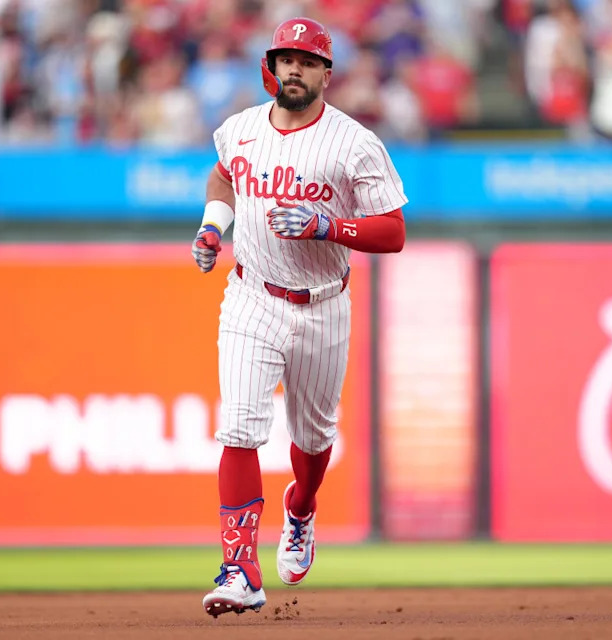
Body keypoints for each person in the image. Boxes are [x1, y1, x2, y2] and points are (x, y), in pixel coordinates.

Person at [192, 16, 408, 619]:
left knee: (313, 442)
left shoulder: (354, 141)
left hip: (322, 304)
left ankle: (302, 508)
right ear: (271, 65)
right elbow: (224, 175)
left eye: (308, 61)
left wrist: (326, 225)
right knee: (238, 428)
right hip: (252, 296)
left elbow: (393, 231)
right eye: (286, 58)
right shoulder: (240, 129)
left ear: (326, 74)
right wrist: (213, 227)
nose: (294, 69)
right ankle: (240, 568)